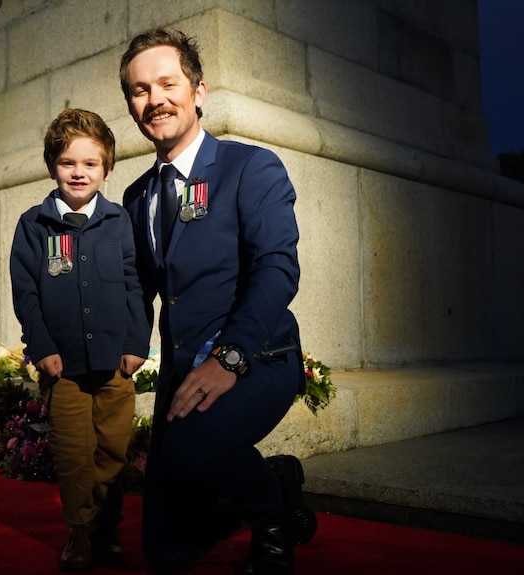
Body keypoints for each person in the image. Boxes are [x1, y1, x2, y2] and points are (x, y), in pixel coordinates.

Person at [119, 29, 312, 574]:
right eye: (139, 90)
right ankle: (265, 484)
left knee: (195, 449)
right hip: (185, 376)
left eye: (166, 82)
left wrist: (231, 357)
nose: (154, 98)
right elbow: (137, 292)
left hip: (258, 358)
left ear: (198, 91)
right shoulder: (137, 197)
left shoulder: (251, 167)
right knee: (167, 553)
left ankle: (275, 514)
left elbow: (278, 268)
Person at [10, 108, 150, 571]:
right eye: (69, 162)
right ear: (53, 166)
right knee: (72, 454)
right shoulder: (34, 225)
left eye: (90, 164)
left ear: (106, 169)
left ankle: (107, 528)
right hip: (64, 366)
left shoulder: (119, 221)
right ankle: (79, 533)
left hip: (115, 363)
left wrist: (137, 343)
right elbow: (26, 294)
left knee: (111, 451)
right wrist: (43, 349)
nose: (79, 172)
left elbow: (135, 284)